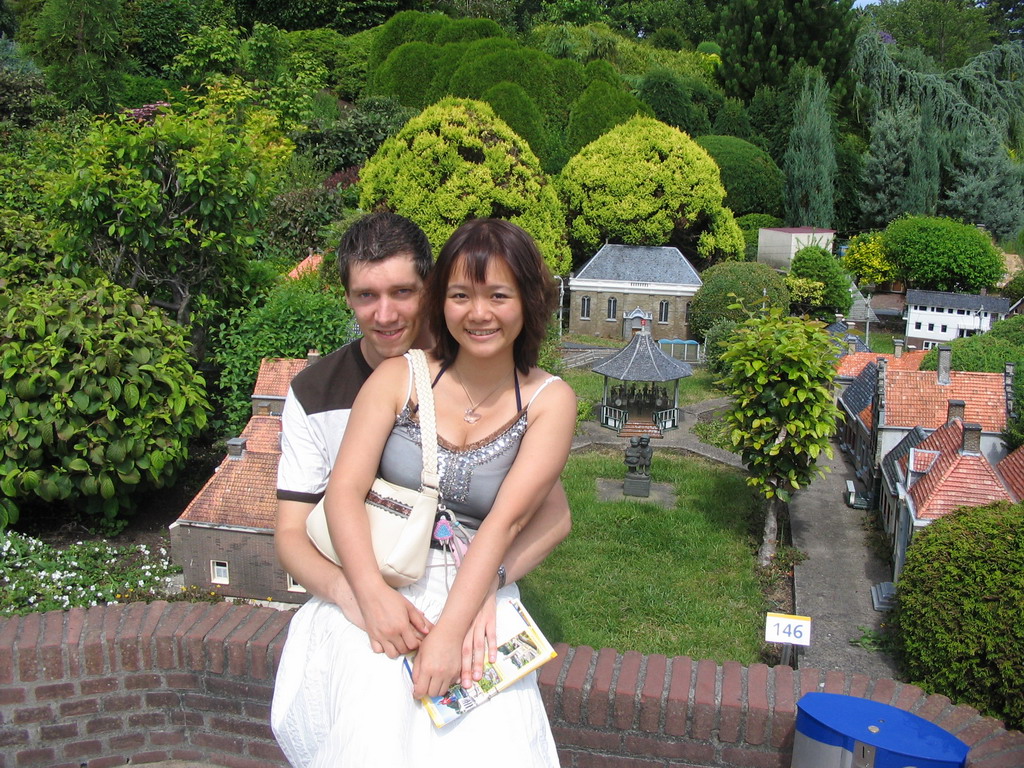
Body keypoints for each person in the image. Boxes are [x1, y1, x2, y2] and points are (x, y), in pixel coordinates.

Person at [272, 216, 572, 766]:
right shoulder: (348, 386)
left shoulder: (541, 397)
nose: (385, 314)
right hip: (379, 578)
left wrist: (480, 596)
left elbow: (529, 519)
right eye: (367, 296)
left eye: (402, 293)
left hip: (473, 583)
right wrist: (364, 597)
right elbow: (317, 513)